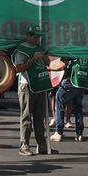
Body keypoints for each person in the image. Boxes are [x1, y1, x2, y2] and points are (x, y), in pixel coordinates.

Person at [13, 25, 54, 156]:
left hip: (40, 85)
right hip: (27, 85)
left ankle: (42, 145)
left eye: (39, 37)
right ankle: (24, 144)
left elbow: (47, 63)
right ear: (28, 35)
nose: (38, 39)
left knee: (39, 117)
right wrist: (33, 60)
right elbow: (19, 68)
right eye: (35, 36)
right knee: (26, 117)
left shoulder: (39, 47)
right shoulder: (21, 50)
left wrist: (44, 55)